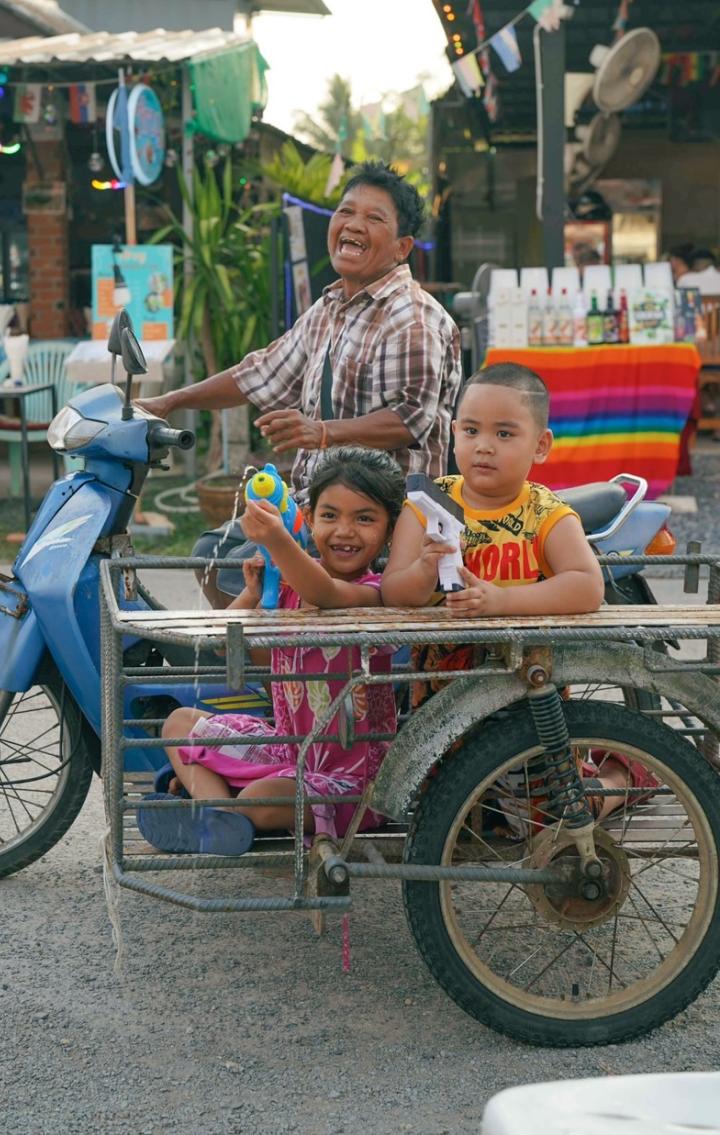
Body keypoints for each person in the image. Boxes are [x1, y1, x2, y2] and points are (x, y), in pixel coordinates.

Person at [139, 162, 461, 603]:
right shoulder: (331, 308)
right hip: (316, 508)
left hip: (380, 523)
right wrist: (168, 402)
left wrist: (322, 432)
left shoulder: (412, 317)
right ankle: (267, 670)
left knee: (238, 568)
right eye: (346, 212)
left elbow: (409, 420)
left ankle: (287, 668)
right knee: (213, 553)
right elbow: (259, 373)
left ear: (403, 247)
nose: (353, 225)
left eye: (374, 218)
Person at [381, 362, 654, 819]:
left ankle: (622, 778)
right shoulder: (427, 506)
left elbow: (587, 586)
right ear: (453, 435)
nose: (484, 446)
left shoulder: (545, 512)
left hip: (529, 688)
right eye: (471, 430)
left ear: (540, 445)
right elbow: (394, 592)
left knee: (548, 816)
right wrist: (425, 566)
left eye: (505, 434)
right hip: (442, 690)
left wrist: (501, 601)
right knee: (443, 812)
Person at [136, 449, 406, 856]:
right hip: (288, 747)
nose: (344, 531)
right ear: (310, 519)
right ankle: (217, 819)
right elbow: (224, 642)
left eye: (364, 518)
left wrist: (278, 541)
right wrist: (249, 595)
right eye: (330, 516)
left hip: (351, 780)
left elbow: (326, 593)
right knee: (179, 723)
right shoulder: (285, 589)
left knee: (259, 801)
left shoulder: (375, 594)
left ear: (389, 531)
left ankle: (212, 805)